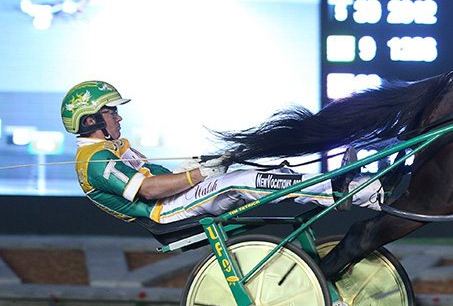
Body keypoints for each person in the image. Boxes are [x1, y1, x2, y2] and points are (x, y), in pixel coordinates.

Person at [61, 80, 379, 225]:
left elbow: (155, 174)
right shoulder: (96, 159)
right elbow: (148, 189)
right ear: (90, 120)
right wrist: (201, 173)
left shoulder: (112, 147)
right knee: (238, 182)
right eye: (111, 112)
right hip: (165, 210)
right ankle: (342, 192)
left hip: (172, 198)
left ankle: (347, 184)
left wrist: (196, 164)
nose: (118, 117)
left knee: (259, 176)